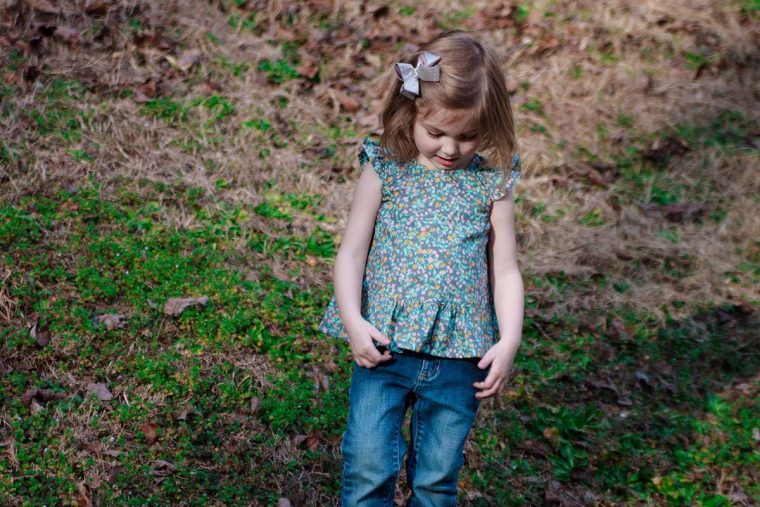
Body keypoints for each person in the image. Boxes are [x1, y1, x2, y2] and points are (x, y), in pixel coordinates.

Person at [318, 30, 524, 507]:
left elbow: (506, 270)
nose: (450, 148)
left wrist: (508, 337)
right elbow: (352, 252)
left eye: (468, 135)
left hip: (460, 357)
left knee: (436, 480)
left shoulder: (490, 185)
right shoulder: (386, 169)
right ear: (411, 114)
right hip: (384, 348)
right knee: (369, 467)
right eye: (436, 133)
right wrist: (353, 321)